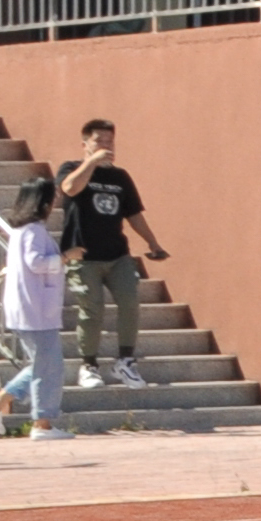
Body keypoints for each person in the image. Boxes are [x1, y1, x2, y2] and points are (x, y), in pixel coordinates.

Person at [53, 120, 167, 390]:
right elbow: (69, 189)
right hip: (83, 257)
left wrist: (152, 242)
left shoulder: (120, 177)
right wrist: (91, 163)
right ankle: (89, 365)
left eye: (110, 142)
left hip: (117, 255)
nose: (106, 146)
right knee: (92, 310)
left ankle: (126, 362)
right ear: (85, 145)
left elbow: (134, 214)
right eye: (99, 141)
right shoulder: (71, 169)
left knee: (130, 302)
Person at [0, 171, 75, 438]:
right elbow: (36, 262)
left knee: (46, 363)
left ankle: (2, 399)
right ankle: (42, 422)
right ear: (43, 203)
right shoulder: (33, 231)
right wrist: (64, 258)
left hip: (31, 308)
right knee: (48, 366)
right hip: (34, 309)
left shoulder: (22, 231)